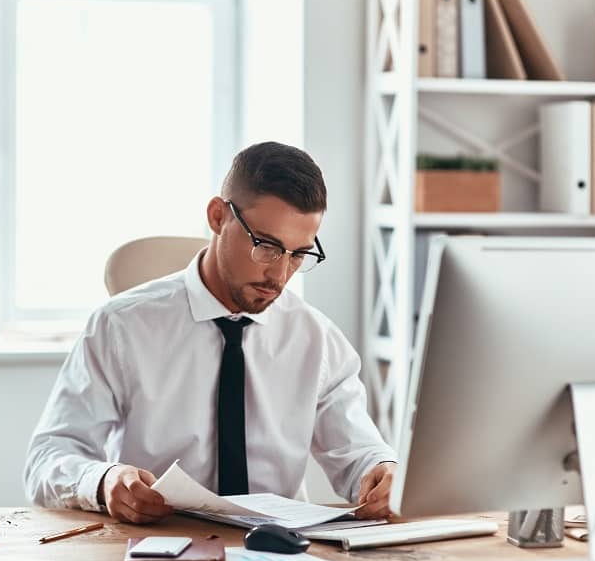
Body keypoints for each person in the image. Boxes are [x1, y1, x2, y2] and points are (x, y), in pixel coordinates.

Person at [24, 142, 397, 524]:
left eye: (298, 254)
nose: (280, 275)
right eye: (267, 247)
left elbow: (359, 455)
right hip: (159, 543)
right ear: (218, 217)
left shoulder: (315, 339)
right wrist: (104, 481)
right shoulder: (120, 326)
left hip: (276, 553)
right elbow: (48, 458)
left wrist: (380, 472)